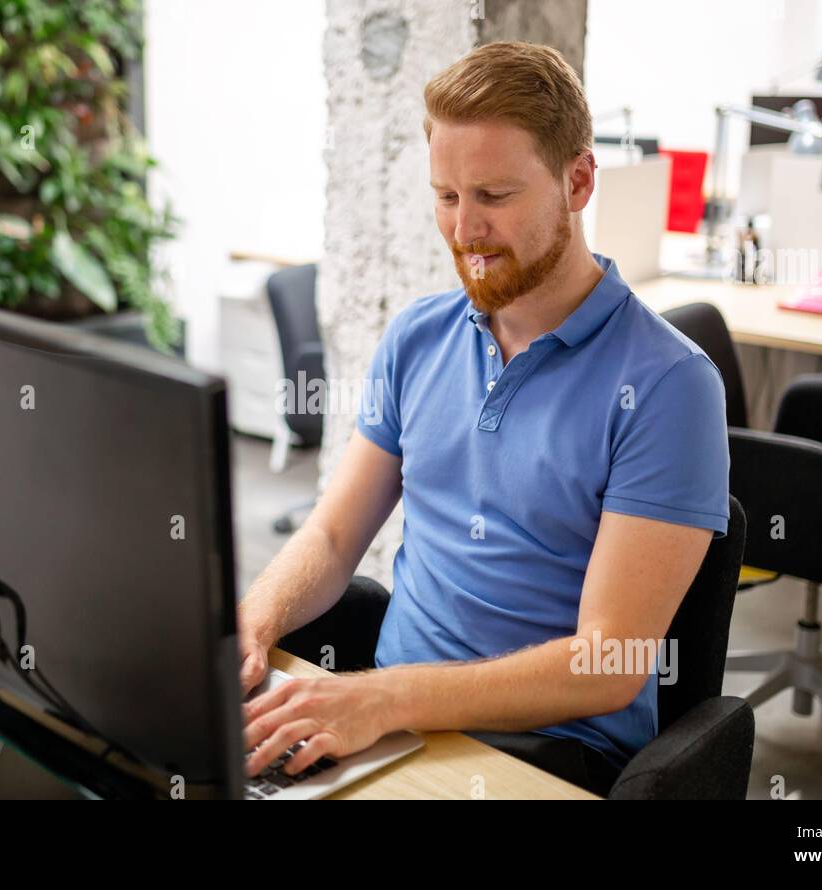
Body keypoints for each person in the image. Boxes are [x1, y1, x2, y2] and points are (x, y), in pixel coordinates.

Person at [238, 41, 729, 796]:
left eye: (494, 197)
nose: (464, 231)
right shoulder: (418, 337)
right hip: (386, 729)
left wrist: (383, 698)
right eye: (446, 196)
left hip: (544, 755)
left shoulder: (670, 385)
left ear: (578, 180)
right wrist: (255, 620)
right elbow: (334, 537)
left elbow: (608, 662)